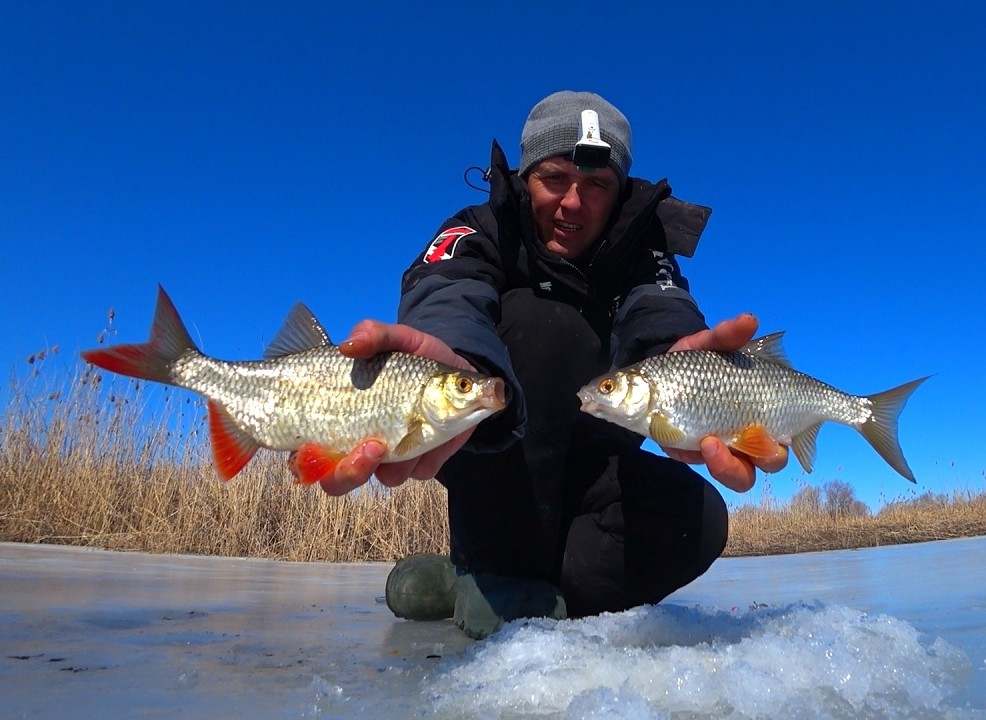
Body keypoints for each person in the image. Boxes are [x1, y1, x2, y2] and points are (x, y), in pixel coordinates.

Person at [309, 91, 788, 638]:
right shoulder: (479, 227)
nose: (573, 204)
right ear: (525, 176)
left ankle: (495, 589)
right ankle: (494, 571)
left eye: (598, 185)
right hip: (499, 465)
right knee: (545, 324)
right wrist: (460, 365)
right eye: (554, 178)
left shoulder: (644, 250)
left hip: (592, 473)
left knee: (697, 519)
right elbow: (447, 292)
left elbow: (659, 310)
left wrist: (676, 373)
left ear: (619, 192)